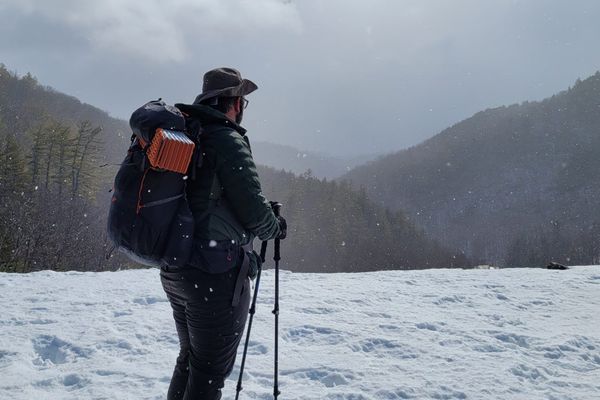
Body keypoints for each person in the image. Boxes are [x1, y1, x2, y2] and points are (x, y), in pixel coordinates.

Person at [160, 67, 287, 400]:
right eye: (242, 99)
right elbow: (254, 209)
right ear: (234, 103)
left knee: (190, 360)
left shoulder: (189, 132)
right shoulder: (225, 139)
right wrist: (276, 227)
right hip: (212, 274)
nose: (243, 106)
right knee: (209, 372)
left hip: (176, 268)